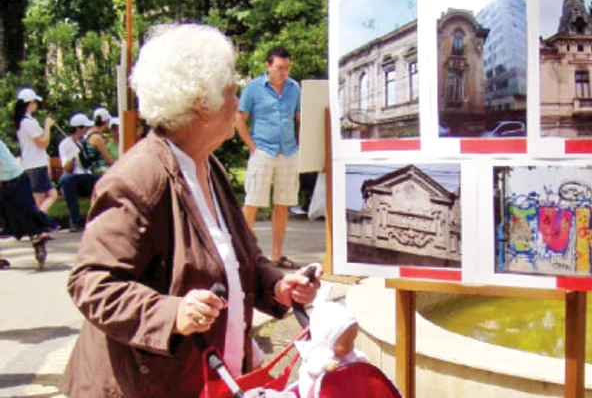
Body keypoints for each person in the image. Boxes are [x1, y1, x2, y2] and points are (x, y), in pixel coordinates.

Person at [60, 24, 322, 398]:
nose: (237, 101)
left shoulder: (205, 164)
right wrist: (171, 313)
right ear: (203, 103)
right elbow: (90, 282)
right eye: (231, 89)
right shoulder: (138, 178)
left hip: (203, 378)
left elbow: (235, 259)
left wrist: (277, 287)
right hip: (144, 386)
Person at [235, 46, 301, 269]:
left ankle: (276, 255)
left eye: (287, 67)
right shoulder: (253, 88)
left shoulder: (295, 88)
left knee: (283, 204)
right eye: (280, 67)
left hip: (289, 151)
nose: (284, 72)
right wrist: (252, 146)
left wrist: (302, 144)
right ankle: (241, 254)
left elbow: (300, 118)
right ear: (268, 66)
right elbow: (239, 118)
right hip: (263, 150)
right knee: (252, 201)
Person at [0, 139, 58, 270]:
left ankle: (39, 237)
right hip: (6, 181)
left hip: (15, 180)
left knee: (25, 213)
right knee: (10, 218)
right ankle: (38, 236)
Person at [295, 302, 366, 398]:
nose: (352, 346)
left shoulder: (345, 350)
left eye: (353, 339)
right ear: (328, 340)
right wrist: (326, 365)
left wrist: (362, 359)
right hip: (319, 392)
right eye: (347, 342)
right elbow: (314, 367)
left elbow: (355, 355)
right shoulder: (319, 352)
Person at [12, 87, 59, 213]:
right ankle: (38, 225)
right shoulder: (27, 123)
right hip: (35, 165)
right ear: (30, 103)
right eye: (35, 102)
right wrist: (48, 127)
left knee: (51, 194)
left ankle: (40, 224)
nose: (36, 105)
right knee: (39, 200)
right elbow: (43, 143)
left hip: (35, 164)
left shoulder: (28, 121)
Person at [58, 113, 98, 232]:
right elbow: (66, 168)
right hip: (74, 178)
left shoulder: (88, 142)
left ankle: (96, 219)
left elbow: (92, 162)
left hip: (87, 176)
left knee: (98, 180)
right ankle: (75, 220)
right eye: (85, 128)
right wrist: (74, 156)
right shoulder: (65, 144)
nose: (86, 130)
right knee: (66, 180)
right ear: (78, 128)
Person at [84, 106, 115, 177]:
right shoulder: (97, 138)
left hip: (91, 169)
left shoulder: (89, 133)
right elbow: (109, 160)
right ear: (106, 121)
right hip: (98, 170)